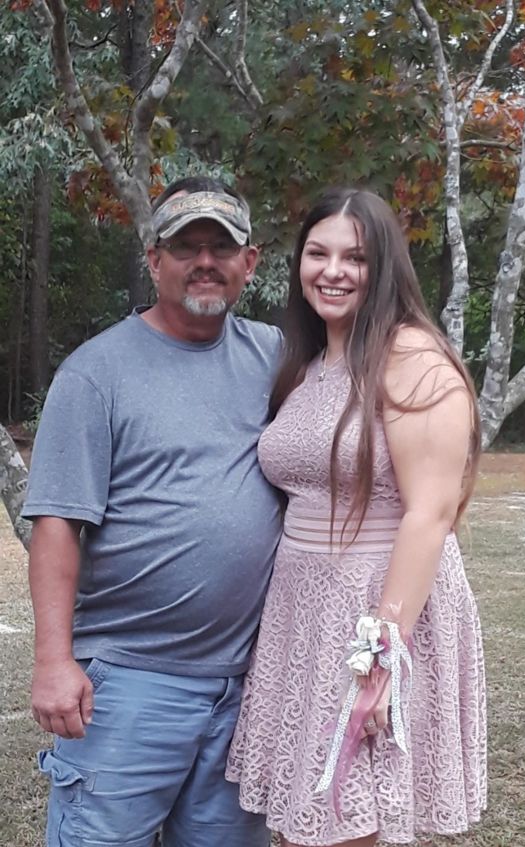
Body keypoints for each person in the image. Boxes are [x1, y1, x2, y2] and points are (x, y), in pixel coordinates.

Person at [22, 176, 282, 847]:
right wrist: (53, 661)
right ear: (154, 258)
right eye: (186, 246)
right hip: (127, 683)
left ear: (250, 262)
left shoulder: (277, 358)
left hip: (246, 686)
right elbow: (56, 524)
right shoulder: (95, 373)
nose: (205, 261)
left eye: (221, 247)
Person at [226, 187, 487, 847]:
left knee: (345, 818)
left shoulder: (411, 356)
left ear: (385, 267)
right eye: (318, 253)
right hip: (302, 611)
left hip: (376, 610)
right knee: (301, 823)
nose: (333, 271)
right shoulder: (308, 362)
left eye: (356, 257)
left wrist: (382, 658)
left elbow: (430, 512)